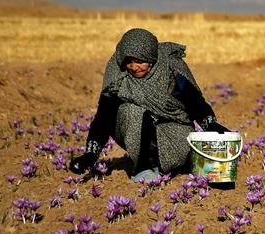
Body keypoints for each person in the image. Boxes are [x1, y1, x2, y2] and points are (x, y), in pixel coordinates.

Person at [69, 28, 230, 182]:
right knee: (130, 110)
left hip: (172, 129)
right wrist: (91, 154)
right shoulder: (119, 77)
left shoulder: (170, 72)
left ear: (151, 58)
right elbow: (104, 117)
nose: (133, 67)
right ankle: (142, 167)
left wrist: (211, 124)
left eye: (139, 61)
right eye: (128, 61)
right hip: (134, 132)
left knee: (196, 160)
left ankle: (176, 162)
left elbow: (195, 104)